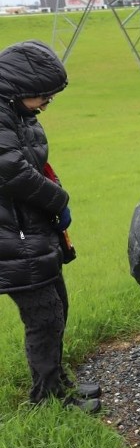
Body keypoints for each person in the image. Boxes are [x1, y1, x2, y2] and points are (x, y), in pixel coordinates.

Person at [0, 40, 101, 411]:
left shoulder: (18, 114)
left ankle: (57, 382)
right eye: (42, 96)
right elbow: (11, 171)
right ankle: (48, 401)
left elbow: (33, 165)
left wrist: (54, 196)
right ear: (18, 89)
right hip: (12, 239)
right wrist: (58, 200)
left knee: (56, 306)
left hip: (29, 230)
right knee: (44, 317)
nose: (46, 103)